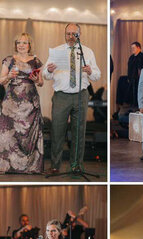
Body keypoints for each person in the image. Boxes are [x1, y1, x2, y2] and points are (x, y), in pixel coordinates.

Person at [43, 24, 101, 174]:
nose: (70, 36)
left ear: (79, 35)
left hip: (80, 94)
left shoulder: (87, 52)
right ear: (65, 34)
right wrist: (48, 70)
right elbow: (45, 74)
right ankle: (55, 166)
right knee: (57, 131)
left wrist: (90, 71)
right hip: (61, 95)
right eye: (68, 34)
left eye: (73, 34)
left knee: (79, 132)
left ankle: (76, 166)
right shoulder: (56, 51)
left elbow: (97, 75)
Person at [0, 32, 45, 174]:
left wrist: (36, 79)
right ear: (16, 45)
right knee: (7, 133)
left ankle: (30, 166)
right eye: (19, 42)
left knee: (28, 135)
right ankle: (4, 165)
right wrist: (8, 76)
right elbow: (0, 81)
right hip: (11, 102)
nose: (21, 45)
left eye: (24, 42)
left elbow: (41, 82)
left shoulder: (36, 61)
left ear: (29, 45)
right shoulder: (9, 60)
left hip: (30, 102)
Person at [128, 42, 143, 108]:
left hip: (138, 79)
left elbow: (140, 69)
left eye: (133, 48)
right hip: (132, 79)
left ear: (138, 47)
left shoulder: (142, 56)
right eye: (131, 48)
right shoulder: (131, 57)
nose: (132, 49)